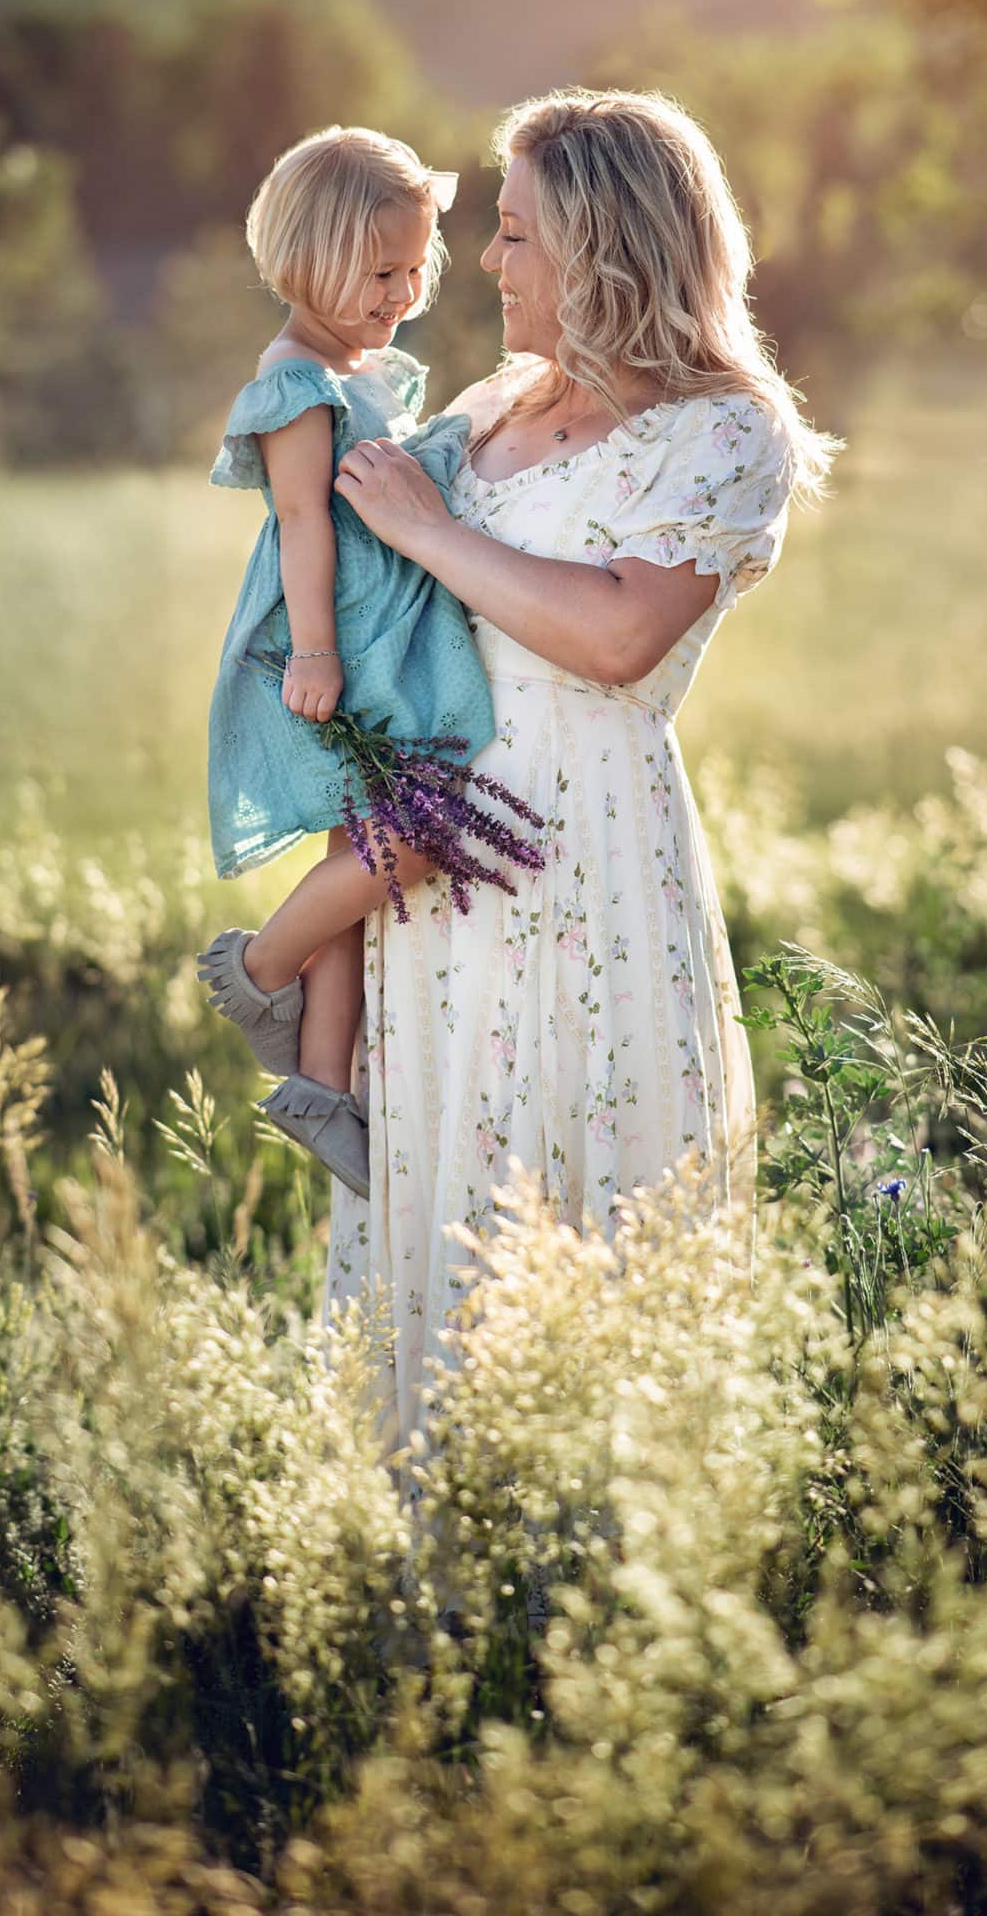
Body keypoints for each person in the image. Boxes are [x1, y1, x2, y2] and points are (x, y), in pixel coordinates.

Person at [322, 86, 838, 1454]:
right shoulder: (492, 405)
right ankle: (427, 1569)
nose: (490, 264)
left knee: (574, 1156)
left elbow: (616, 635)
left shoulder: (727, 431)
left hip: (583, 847)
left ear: (607, 249)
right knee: (440, 1165)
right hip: (435, 851)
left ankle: (596, 1580)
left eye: (517, 234)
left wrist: (432, 535)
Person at [198, 124, 502, 1200]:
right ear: (311, 258)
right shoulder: (295, 382)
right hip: (343, 639)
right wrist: (318, 650)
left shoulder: (358, 368)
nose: (404, 290)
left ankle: (322, 1082)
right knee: (410, 841)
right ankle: (258, 968)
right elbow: (299, 523)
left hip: (387, 631)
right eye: (381, 270)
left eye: (416, 266)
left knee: (357, 858)